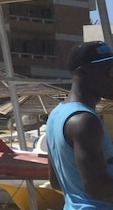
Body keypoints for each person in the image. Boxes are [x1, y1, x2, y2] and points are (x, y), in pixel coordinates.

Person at [47, 40, 113, 208]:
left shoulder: (56, 115)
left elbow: (55, 181)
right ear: (82, 73)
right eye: (108, 71)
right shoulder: (85, 121)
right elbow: (97, 188)